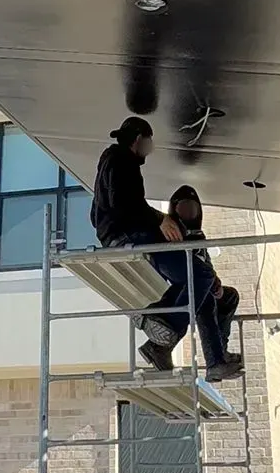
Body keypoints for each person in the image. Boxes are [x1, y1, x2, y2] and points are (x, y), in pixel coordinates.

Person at [89, 121, 240, 380]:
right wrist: (160, 220)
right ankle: (159, 320)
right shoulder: (120, 159)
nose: (150, 150)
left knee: (203, 286)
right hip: (129, 235)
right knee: (201, 277)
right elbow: (122, 204)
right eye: (149, 143)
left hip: (126, 233)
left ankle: (175, 349)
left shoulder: (117, 162)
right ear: (139, 139)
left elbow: (104, 211)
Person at [148, 186, 242, 381]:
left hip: (199, 282)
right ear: (174, 210)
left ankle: (220, 352)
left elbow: (205, 264)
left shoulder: (199, 237)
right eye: (183, 208)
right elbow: (176, 266)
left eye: (192, 209)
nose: (189, 213)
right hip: (180, 288)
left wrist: (215, 282)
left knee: (229, 296)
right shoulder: (170, 230)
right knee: (204, 297)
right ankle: (214, 361)